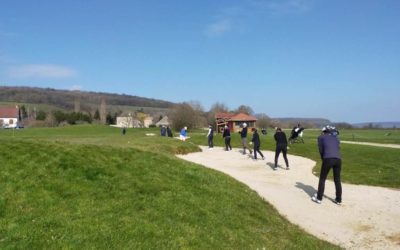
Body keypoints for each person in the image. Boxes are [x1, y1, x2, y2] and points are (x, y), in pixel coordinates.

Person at [312, 126, 342, 205]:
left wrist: (324, 159)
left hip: (328, 159)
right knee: (337, 179)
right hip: (338, 159)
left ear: (323, 132)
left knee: (322, 178)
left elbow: (321, 150)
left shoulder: (321, 137)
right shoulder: (335, 137)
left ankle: (319, 198)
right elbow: (338, 147)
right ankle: (338, 199)